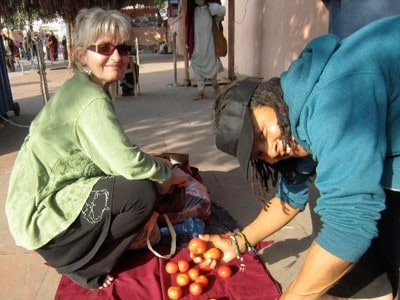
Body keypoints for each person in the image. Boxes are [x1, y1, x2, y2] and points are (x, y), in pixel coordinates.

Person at [198, 15, 400, 300]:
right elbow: (289, 196)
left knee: (349, 218)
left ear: (267, 98)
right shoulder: (297, 113)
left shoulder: (333, 101)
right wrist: (237, 242)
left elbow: (350, 224)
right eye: (259, 153)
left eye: (260, 132)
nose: (271, 151)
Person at [5, 7, 188, 290]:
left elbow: (111, 149)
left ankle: (81, 252)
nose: (116, 56)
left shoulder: (83, 87)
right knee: (141, 193)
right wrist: (166, 177)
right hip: (44, 221)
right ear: (81, 55)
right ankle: (86, 266)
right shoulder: (91, 99)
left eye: (123, 48)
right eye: (104, 48)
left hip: (36, 210)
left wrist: (154, 163)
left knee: (146, 172)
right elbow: (127, 162)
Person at [186, 0, 225, 100]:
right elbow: (189, 26)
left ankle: (215, 86)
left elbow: (221, 11)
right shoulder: (194, 11)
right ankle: (201, 90)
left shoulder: (211, 9)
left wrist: (210, 4)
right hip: (197, 47)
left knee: (212, 66)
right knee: (196, 65)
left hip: (210, 46)